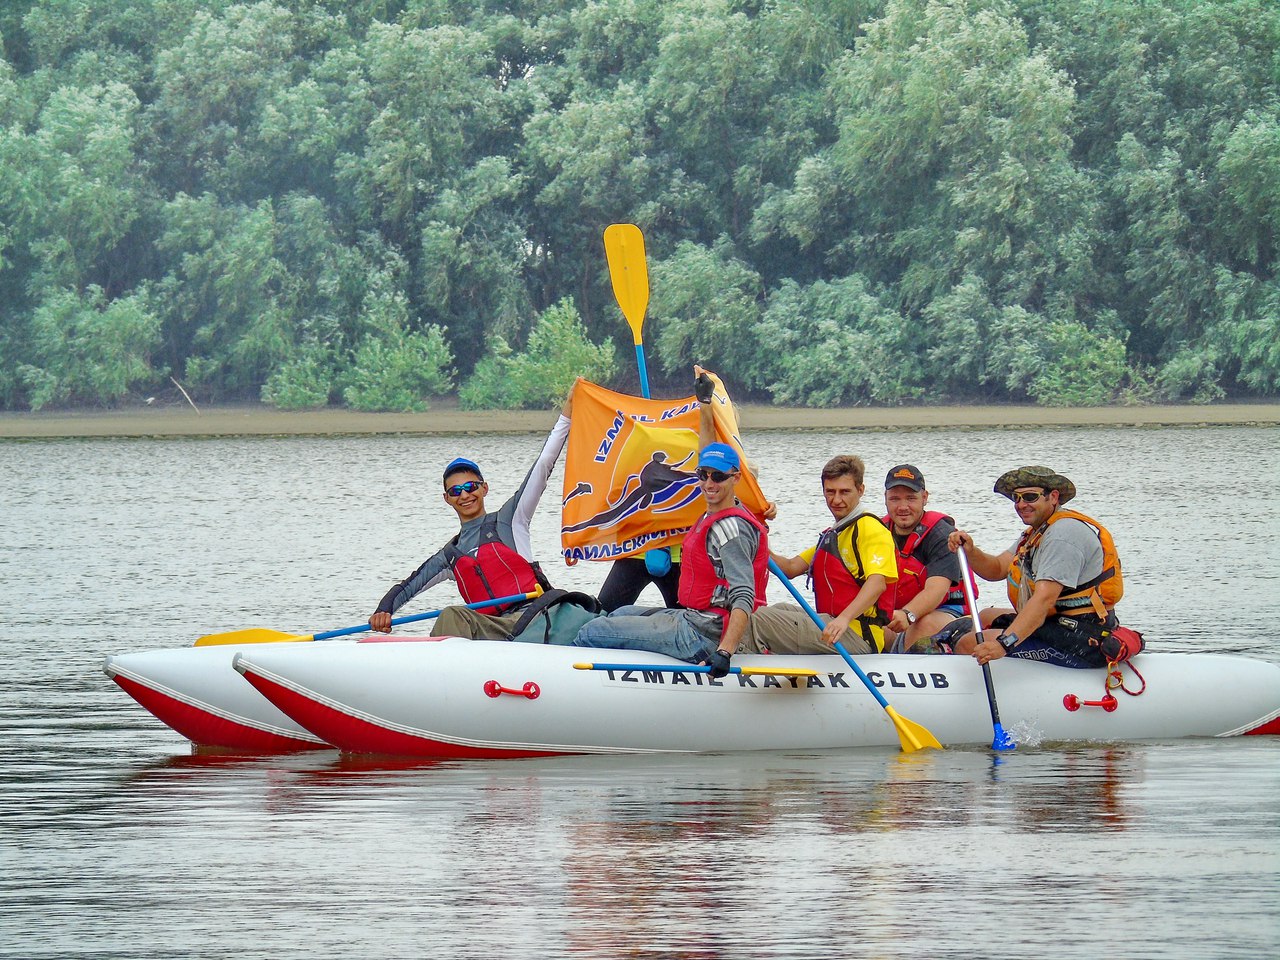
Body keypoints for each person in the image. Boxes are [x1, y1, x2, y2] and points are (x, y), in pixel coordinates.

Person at [368, 388, 574, 639]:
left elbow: (543, 465)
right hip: (495, 631)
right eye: (455, 491)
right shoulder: (450, 554)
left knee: (452, 616)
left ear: (484, 488)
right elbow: (408, 586)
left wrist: (567, 414)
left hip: (535, 617)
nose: (465, 495)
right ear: (447, 499)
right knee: (456, 617)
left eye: (471, 487)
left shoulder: (510, 520)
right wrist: (384, 609)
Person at [573, 442, 769, 678]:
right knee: (618, 612)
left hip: (703, 636)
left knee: (591, 631)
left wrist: (724, 653)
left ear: (736, 478)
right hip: (693, 618)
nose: (709, 483)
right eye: (703, 475)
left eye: (718, 477)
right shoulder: (715, 513)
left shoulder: (729, 530)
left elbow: (744, 595)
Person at [947, 465, 1125, 669]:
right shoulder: (1036, 533)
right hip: (1059, 624)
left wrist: (1003, 645)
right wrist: (971, 550)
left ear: (1054, 497)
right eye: (1016, 497)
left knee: (969, 643)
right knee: (986, 615)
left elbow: (1044, 599)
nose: (1021, 504)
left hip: (1083, 636)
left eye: (1030, 496)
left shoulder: (1063, 534)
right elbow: (996, 569)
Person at [740, 455, 897, 656]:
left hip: (858, 635)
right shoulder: (834, 534)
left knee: (757, 620)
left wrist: (844, 619)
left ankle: (729, 661)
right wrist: (754, 529)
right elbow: (789, 568)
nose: (836, 500)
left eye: (845, 492)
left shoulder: (870, 528)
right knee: (769, 610)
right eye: (830, 492)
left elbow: (877, 583)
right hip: (832, 622)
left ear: (860, 490)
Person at [881, 464, 968, 653]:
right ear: (886, 500)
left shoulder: (942, 534)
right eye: (895, 499)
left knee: (923, 625)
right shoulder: (876, 531)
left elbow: (936, 590)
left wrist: (907, 615)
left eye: (911, 498)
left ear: (924, 498)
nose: (903, 507)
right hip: (896, 613)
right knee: (872, 627)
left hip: (945, 611)